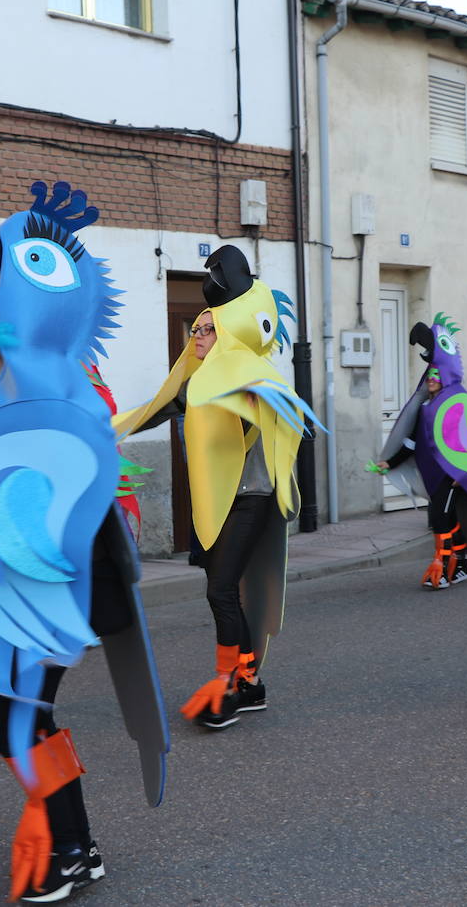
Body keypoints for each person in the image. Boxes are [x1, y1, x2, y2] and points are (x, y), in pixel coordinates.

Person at [0, 182, 169, 903]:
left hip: (59, 588)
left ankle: (65, 845)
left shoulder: (57, 387)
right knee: (26, 718)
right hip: (39, 587)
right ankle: (79, 846)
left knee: (12, 724)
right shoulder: (20, 384)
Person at [115, 245, 321, 731]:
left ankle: (234, 685)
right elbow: (154, 411)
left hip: (251, 498)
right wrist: (103, 428)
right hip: (217, 502)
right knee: (224, 591)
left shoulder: (250, 374)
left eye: (210, 328)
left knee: (222, 590)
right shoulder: (196, 382)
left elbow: (297, 423)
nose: (201, 334)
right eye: (197, 328)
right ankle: (246, 684)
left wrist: (262, 406)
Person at [374, 314, 467, 589]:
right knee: (446, 518)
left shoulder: (459, 402)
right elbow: (412, 442)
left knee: (440, 519)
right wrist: (390, 462)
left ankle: (443, 565)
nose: (433, 379)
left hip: (453, 474)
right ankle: (460, 565)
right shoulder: (426, 407)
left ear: (444, 375)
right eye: (430, 375)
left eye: (437, 374)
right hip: (433, 474)